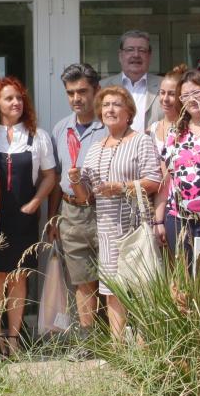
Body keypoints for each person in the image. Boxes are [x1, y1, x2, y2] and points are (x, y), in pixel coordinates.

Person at [68, 85, 161, 339]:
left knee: (142, 287)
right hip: (107, 229)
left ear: (129, 112)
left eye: (117, 104)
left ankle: (146, 346)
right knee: (112, 290)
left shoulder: (140, 140)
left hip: (135, 226)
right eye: (106, 105)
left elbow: (154, 180)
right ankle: (118, 348)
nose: (110, 109)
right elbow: (85, 196)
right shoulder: (96, 147)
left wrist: (121, 187)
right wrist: (76, 180)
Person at [0, 77, 55, 358]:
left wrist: (36, 202)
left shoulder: (38, 136)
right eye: (9, 99)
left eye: (19, 98)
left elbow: (49, 175)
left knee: (19, 276)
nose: (16, 103)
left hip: (24, 217)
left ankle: (14, 338)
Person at [47, 63, 106, 332]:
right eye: (70, 93)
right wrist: (52, 218)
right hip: (71, 211)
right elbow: (57, 179)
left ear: (97, 90)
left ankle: (114, 336)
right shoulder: (61, 129)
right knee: (82, 278)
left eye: (82, 91)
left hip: (106, 208)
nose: (76, 99)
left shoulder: (110, 125)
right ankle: (88, 337)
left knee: (111, 274)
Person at [154, 70, 200, 255]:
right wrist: (158, 220)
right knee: (184, 280)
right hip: (178, 219)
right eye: (186, 95)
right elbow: (166, 181)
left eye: (197, 93)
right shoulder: (175, 132)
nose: (192, 99)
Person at [110, 30, 163, 133]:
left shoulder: (165, 86)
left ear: (149, 56)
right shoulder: (103, 87)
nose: (136, 55)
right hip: (114, 148)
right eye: (130, 50)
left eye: (142, 50)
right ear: (120, 55)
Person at [149, 64, 187, 146]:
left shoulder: (190, 128)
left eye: (172, 94)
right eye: (162, 92)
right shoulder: (152, 129)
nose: (165, 99)